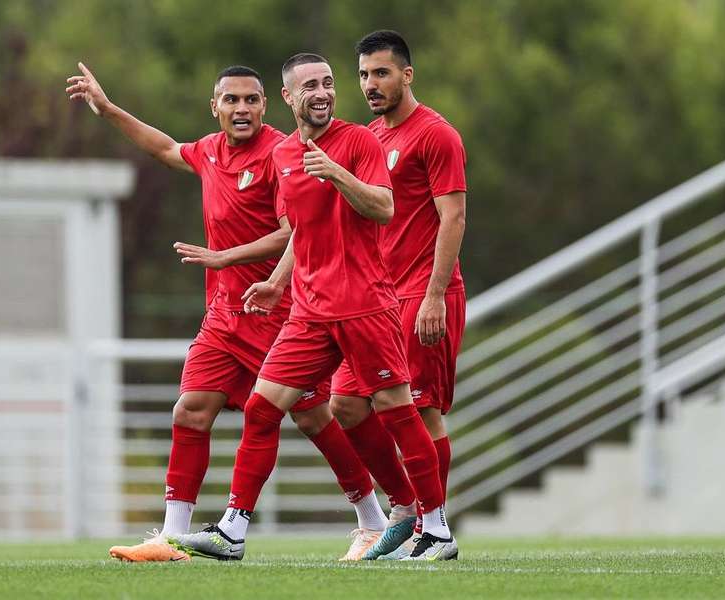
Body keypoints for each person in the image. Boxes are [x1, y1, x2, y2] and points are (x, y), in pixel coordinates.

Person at [66, 62, 386, 562]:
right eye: (231, 100)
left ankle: (372, 518)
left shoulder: (285, 153)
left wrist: (227, 258)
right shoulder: (210, 152)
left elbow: (296, 230)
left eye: (251, 100)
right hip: (223, 316)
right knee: (190, 411)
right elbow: (164, 147)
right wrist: (107, 109)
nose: (242, 109)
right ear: (214, 107)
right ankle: (172, 538)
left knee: (314, 418)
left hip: (276, 313)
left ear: (266, 104)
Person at [169, 53, 457, 562]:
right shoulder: (282, 155)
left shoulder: (359, 141)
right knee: (262, 409)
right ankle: (233, 529)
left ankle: (434, 529)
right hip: (309, 309)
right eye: (310, 86)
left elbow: (385, 207)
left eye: (328, 83)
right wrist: (279, 283)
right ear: (288, 97)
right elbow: (300, 231)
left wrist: (336, 173)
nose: (322, 93)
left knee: (396, 408)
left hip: (365, 304)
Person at [330, 30, 468, 560]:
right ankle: (407, 507)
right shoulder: (369, 136)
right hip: (377, 300)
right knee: (345, 403)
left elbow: (453, 216)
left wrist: (435, 295)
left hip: (423, 293)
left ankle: (434, 527)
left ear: (406, 75)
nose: (370, 84)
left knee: (422, 410)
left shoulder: (436, 135)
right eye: (364, 74)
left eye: (381, 73)